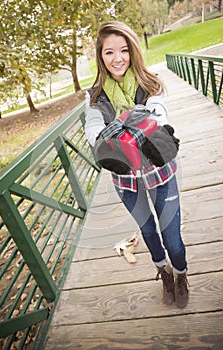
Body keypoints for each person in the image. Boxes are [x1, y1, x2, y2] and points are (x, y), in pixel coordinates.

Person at [84, 21, 189, 308]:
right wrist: (130, 123)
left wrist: (116, 129)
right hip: (126, 179)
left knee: (172, 236)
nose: (117, 58)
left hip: (159, 172)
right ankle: (164, 273)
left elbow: (158, 118)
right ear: (100, 57)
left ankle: (181, 274)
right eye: (109, 52)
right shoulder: (94, 96)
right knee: (147, 232)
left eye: (123, 50)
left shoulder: (150, 83)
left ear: (132, 51)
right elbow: (93, 133)